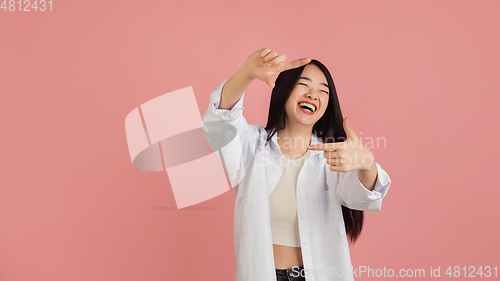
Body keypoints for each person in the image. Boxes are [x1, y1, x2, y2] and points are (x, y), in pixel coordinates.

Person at [201, 47, 392, 281]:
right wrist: (247, 73)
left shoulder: (333, 156)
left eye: (323, 91)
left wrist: (367, 163)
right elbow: (221, 119)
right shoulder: (252, 145)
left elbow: (364, 197)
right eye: (305, 85)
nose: (313, 94)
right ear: (284, 90)